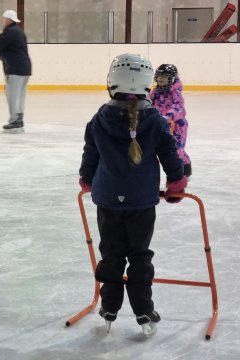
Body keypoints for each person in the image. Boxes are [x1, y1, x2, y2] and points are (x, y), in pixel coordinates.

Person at [79, 53, 188, 336]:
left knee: (111, 253)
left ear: (111, 83)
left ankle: (109, 307)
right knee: (139, 255)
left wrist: (87, 180)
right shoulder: (154, 120)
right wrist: (176, 182)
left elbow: (90, 154)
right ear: (145, 86)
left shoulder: (99, 119)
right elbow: (170, 154)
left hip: (107, 199)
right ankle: (143, 310)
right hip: (141, 201)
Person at [150, 64, 191, 177]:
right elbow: (149, 102)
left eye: (164, 76)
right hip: (161, 124)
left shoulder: (175, 92)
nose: (160, 79)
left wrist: (168, 116)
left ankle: (185, 170)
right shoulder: (155, 91)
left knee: (176, 149)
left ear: (171, 79)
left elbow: (179, 107)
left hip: (177, 125)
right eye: (158, 76)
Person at [0, 10, 32, 134]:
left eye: (4, 19)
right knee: (20, 96)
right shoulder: (19, 32)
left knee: (12, 96)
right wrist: (1, 53)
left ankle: (15, 121)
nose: (3, 21)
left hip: (15, 69)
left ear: (9, 20)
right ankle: (19, 119)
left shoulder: (10, 32)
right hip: (24, 68)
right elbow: (10, 49)